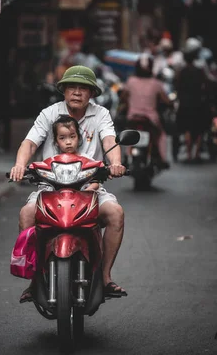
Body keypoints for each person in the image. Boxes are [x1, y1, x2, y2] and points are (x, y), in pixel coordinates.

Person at [9, 65, 128, 302]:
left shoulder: (101, 114)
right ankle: (35, 281)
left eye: (83, 88)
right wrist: (20, 165)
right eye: (71, 87)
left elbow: (109, 141)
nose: (76, 92)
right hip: (49, 189)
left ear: (92, 93)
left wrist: (115, 163)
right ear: (63, 90)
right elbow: (30, 143)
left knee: (115, 213)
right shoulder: (49, 113)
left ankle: (105, 278)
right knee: (26, 214)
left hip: (90, 188)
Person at [123, 55, 172, 167]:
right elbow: (166, 100)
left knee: (128, 135)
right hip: (151, 119)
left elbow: (123, 97)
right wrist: (170, 104)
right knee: (161, 135)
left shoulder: (131, 81)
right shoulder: (156, 83)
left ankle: (126, 156)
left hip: (133, 116)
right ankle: (163, 159)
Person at [175, 38, 209, 161]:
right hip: (198, 103)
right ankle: (197, 154)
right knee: (199, 129)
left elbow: (177, 86)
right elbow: (206, 85)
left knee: (188, 129)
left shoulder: (182, 72)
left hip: (185, 104)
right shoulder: (200, 71)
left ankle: (189, 154)